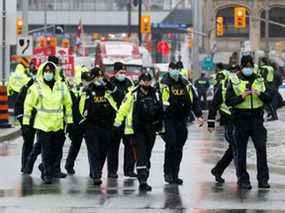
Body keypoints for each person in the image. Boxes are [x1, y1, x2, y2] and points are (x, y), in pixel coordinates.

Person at [226, 55, 272, 190]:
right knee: (241, 151)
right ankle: (243, 179)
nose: (248, 68)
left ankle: (263, 179)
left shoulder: (259, 79)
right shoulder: (234, 80)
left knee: (261, 149)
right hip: (240, 120)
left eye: (250, 66)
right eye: (246, 66)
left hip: (257, 120)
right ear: (241, 67)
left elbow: (269, 98)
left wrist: (259, 94)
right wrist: (242, 96)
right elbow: (229, 101)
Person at [23, 61, 73, 184]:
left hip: (58, 125)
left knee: (56, 151)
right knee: (46, 151)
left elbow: (68, 104)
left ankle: (46, 168)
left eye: (50, 71)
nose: (48, 73)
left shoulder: (62, 86)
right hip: (42, 124)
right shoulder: (36, 87)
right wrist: (25, 124)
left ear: (54, 73)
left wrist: (70, 122)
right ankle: (46, 173)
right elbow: (28, 106)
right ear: (42, 72)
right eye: (46, 71)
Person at [114, 72, 163, 191]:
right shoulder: (133, 94)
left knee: (147, 155)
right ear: (140, 81)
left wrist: (161, 125)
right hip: (137, 130)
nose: (146, 83)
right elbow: (123, 108)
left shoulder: (155, 93)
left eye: (148, 80)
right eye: (144, 80)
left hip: (151, 129)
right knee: (141, 156)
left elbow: (160, 109)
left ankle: (145, 174)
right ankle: (143, 181)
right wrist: (118, 122)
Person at [160, 62, 204, 185]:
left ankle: (175, 174)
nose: (175, 71)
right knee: (171, 143)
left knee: (179, 147)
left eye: (177, 69)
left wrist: (199, 115)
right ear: (169, 69)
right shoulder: (163, 83)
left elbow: (194, 100)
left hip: (182, 119)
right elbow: (159, 101)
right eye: (172, 69)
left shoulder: (185, 84)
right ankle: (168, 173)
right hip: (168, 118)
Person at [79, 67, 118, 185]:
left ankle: (97, 170)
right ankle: (96, 174)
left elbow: (117, 99)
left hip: (106, 126)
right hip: (92, 126)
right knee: (94, 150)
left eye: (101, 76)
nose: (99, 79)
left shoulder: (107, 90)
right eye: (97, 77)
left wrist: (108, 84)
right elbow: (82, 109)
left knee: (103, 151)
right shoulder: (87, 90)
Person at [107, 62, 136, 178]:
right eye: (120, 72)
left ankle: (129, 170)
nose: (123, 74)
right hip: (113, 119)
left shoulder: (129, 83)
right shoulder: (110, 84)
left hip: (126, 120)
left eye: (124, 72)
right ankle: (112, 171)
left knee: (129, 146)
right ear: (115, 72)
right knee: (113, 147)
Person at [208, 71, 235, 183]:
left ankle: (218, 170)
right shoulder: (223, 85)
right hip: (228, 120)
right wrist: (210, 123)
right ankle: (219, 170)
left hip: (242, 120)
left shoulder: (244, 83)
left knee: (235, 148)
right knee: (235, 146)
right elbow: (214, 105)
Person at [64, 71, 92, 175]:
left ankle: (93, 170)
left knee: (91, 148)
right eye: (87, 81)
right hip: (77, 123)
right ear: (83, 80)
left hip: (88, 122)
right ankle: (69, 165)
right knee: (75, 145)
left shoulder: (91, 90)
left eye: (90, 81)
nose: (88, 83)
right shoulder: (76, 90)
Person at [15, 61, 38, 173]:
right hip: (27, 122)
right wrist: (23, 122)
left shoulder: (43, 88)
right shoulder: (26, 88)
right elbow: (18, 106)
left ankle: (46, 167)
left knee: (43, 145)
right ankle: (25, 166)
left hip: (41, 122)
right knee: (28, 142)